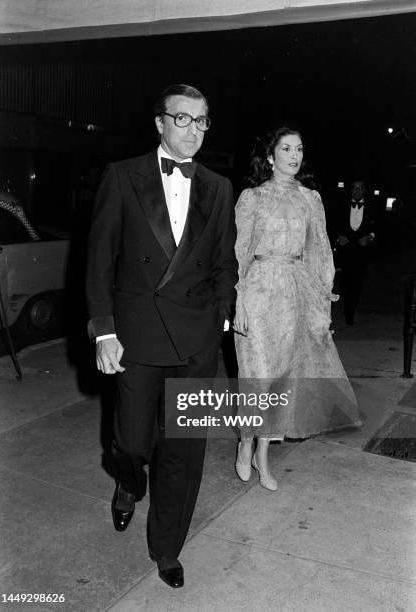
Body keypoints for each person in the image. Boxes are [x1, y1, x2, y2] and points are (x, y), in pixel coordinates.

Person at [86, 84, 237, 588]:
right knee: (130, 444)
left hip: (195, 340)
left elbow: (223, 264)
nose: (192, 130)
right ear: (159, 123)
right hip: (136, 336)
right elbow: (99, 261)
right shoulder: (123, 176)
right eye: (182, 119)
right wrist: (104, 330)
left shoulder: (219, 186)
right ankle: (128, 481)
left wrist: (219, 318)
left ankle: (167, 548)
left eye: (201, 121)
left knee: (185, 451)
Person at [233, 126, 361, 491]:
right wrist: (238, 299)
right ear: (270, 156)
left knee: (280, 378)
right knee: (256, 375)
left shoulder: (312, 199)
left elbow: (321, 253)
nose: (294, 155)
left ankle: (262, 455)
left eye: (299, 149)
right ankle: (245, 442)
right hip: (257, 292)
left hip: (294, 293)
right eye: (286, 148)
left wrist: (323, 308)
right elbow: (238, 251)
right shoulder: (251, 198)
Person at [335, 180, 376, 324]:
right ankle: (347, 306)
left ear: (364, 191)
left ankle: (351, 310)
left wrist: (370, 237)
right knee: (345, 282)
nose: (357, 191)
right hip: (345, 250)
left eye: (360, 188)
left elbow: (380, 226)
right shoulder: (341, 206)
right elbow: (333, 223)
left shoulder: (372, 207)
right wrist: (338, 237)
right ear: (351, 191)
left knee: (357, 283)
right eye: (354, 188)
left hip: (361, 251)